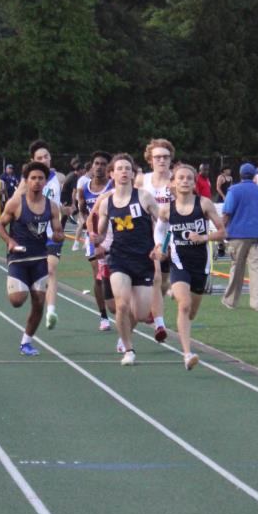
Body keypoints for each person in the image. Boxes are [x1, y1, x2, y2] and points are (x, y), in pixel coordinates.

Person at [89, 153, 161, 365]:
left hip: (144, 260)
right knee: (121, 305)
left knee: (140, 313)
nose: (124, 172)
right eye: (119, 168)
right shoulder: (106, 203)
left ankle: (126, 333)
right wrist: (96, 240)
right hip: (119, 258)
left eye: (127, 168)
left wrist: (160, 245)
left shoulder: (145, 197)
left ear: (132, 174)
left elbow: (161, 223)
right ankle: (128, 350)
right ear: (112, 174)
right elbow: (102, 233)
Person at [161, 162, 225, 369]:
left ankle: (176, 292)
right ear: (173, 182)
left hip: (200, 263)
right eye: (180, 178)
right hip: (178, 262)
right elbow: (161, 231)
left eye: (189, 178)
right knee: (185, 305)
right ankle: (187, 354)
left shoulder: (204, 204)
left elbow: (223, 232)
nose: (185, 181)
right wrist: (161, 247)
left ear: (194, 182)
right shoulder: (166, 210)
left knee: (192, 312)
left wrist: (203, 237)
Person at [0, 160, 63, 356]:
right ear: (26, 181)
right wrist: (9, 241)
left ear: (45, 182)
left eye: (40, 178)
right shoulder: (16, 203)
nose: (36, 181)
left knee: (39, 303)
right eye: (33, 178)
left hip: (40, 258)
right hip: (18, 258)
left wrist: (58, 236)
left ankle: (26, 342)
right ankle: (18, 285)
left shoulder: (52, 207)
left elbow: (58, 232)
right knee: (17, 300)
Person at [220, 163, 258, 310]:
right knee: (257, 268)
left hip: (238, 234)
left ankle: (231, 301)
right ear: (254, 175)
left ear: (240, 175)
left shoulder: (234, 190)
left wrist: (221, 230)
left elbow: (227, 212)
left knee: (237, 267)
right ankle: (257, 303)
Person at [28, 141, 66, 330]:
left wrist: (66, 210)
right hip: (32, 234)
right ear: (33, 160)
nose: (44, 160)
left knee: (51, 269)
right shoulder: (28, 180)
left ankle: (51, 312)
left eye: (46, 157)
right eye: (39, 158)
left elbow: (59, 204)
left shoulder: (59, 178)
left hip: (53, 233)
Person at [141, 137, 176, 342]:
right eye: (157, 157)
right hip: (147, 234)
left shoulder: (177, 180)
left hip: (172, 234)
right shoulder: (142, 180)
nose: (162, 160)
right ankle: (157, 319)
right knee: (155, 276)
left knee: (163, 279)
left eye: (165, 157)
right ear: (150, 160)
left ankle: (155, 306)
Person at [78, 152, 114, 331]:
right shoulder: (84, 188)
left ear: (108, 168)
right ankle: (103, 316)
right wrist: (89, 226)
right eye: (96, 163)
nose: (99, 167)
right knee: (98, 277)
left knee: (114, 275)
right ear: (91, 166)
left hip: (113, 234)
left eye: (103, 164)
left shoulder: (113, 185)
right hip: (93, 236)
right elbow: (83, 210)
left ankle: (118, 305)